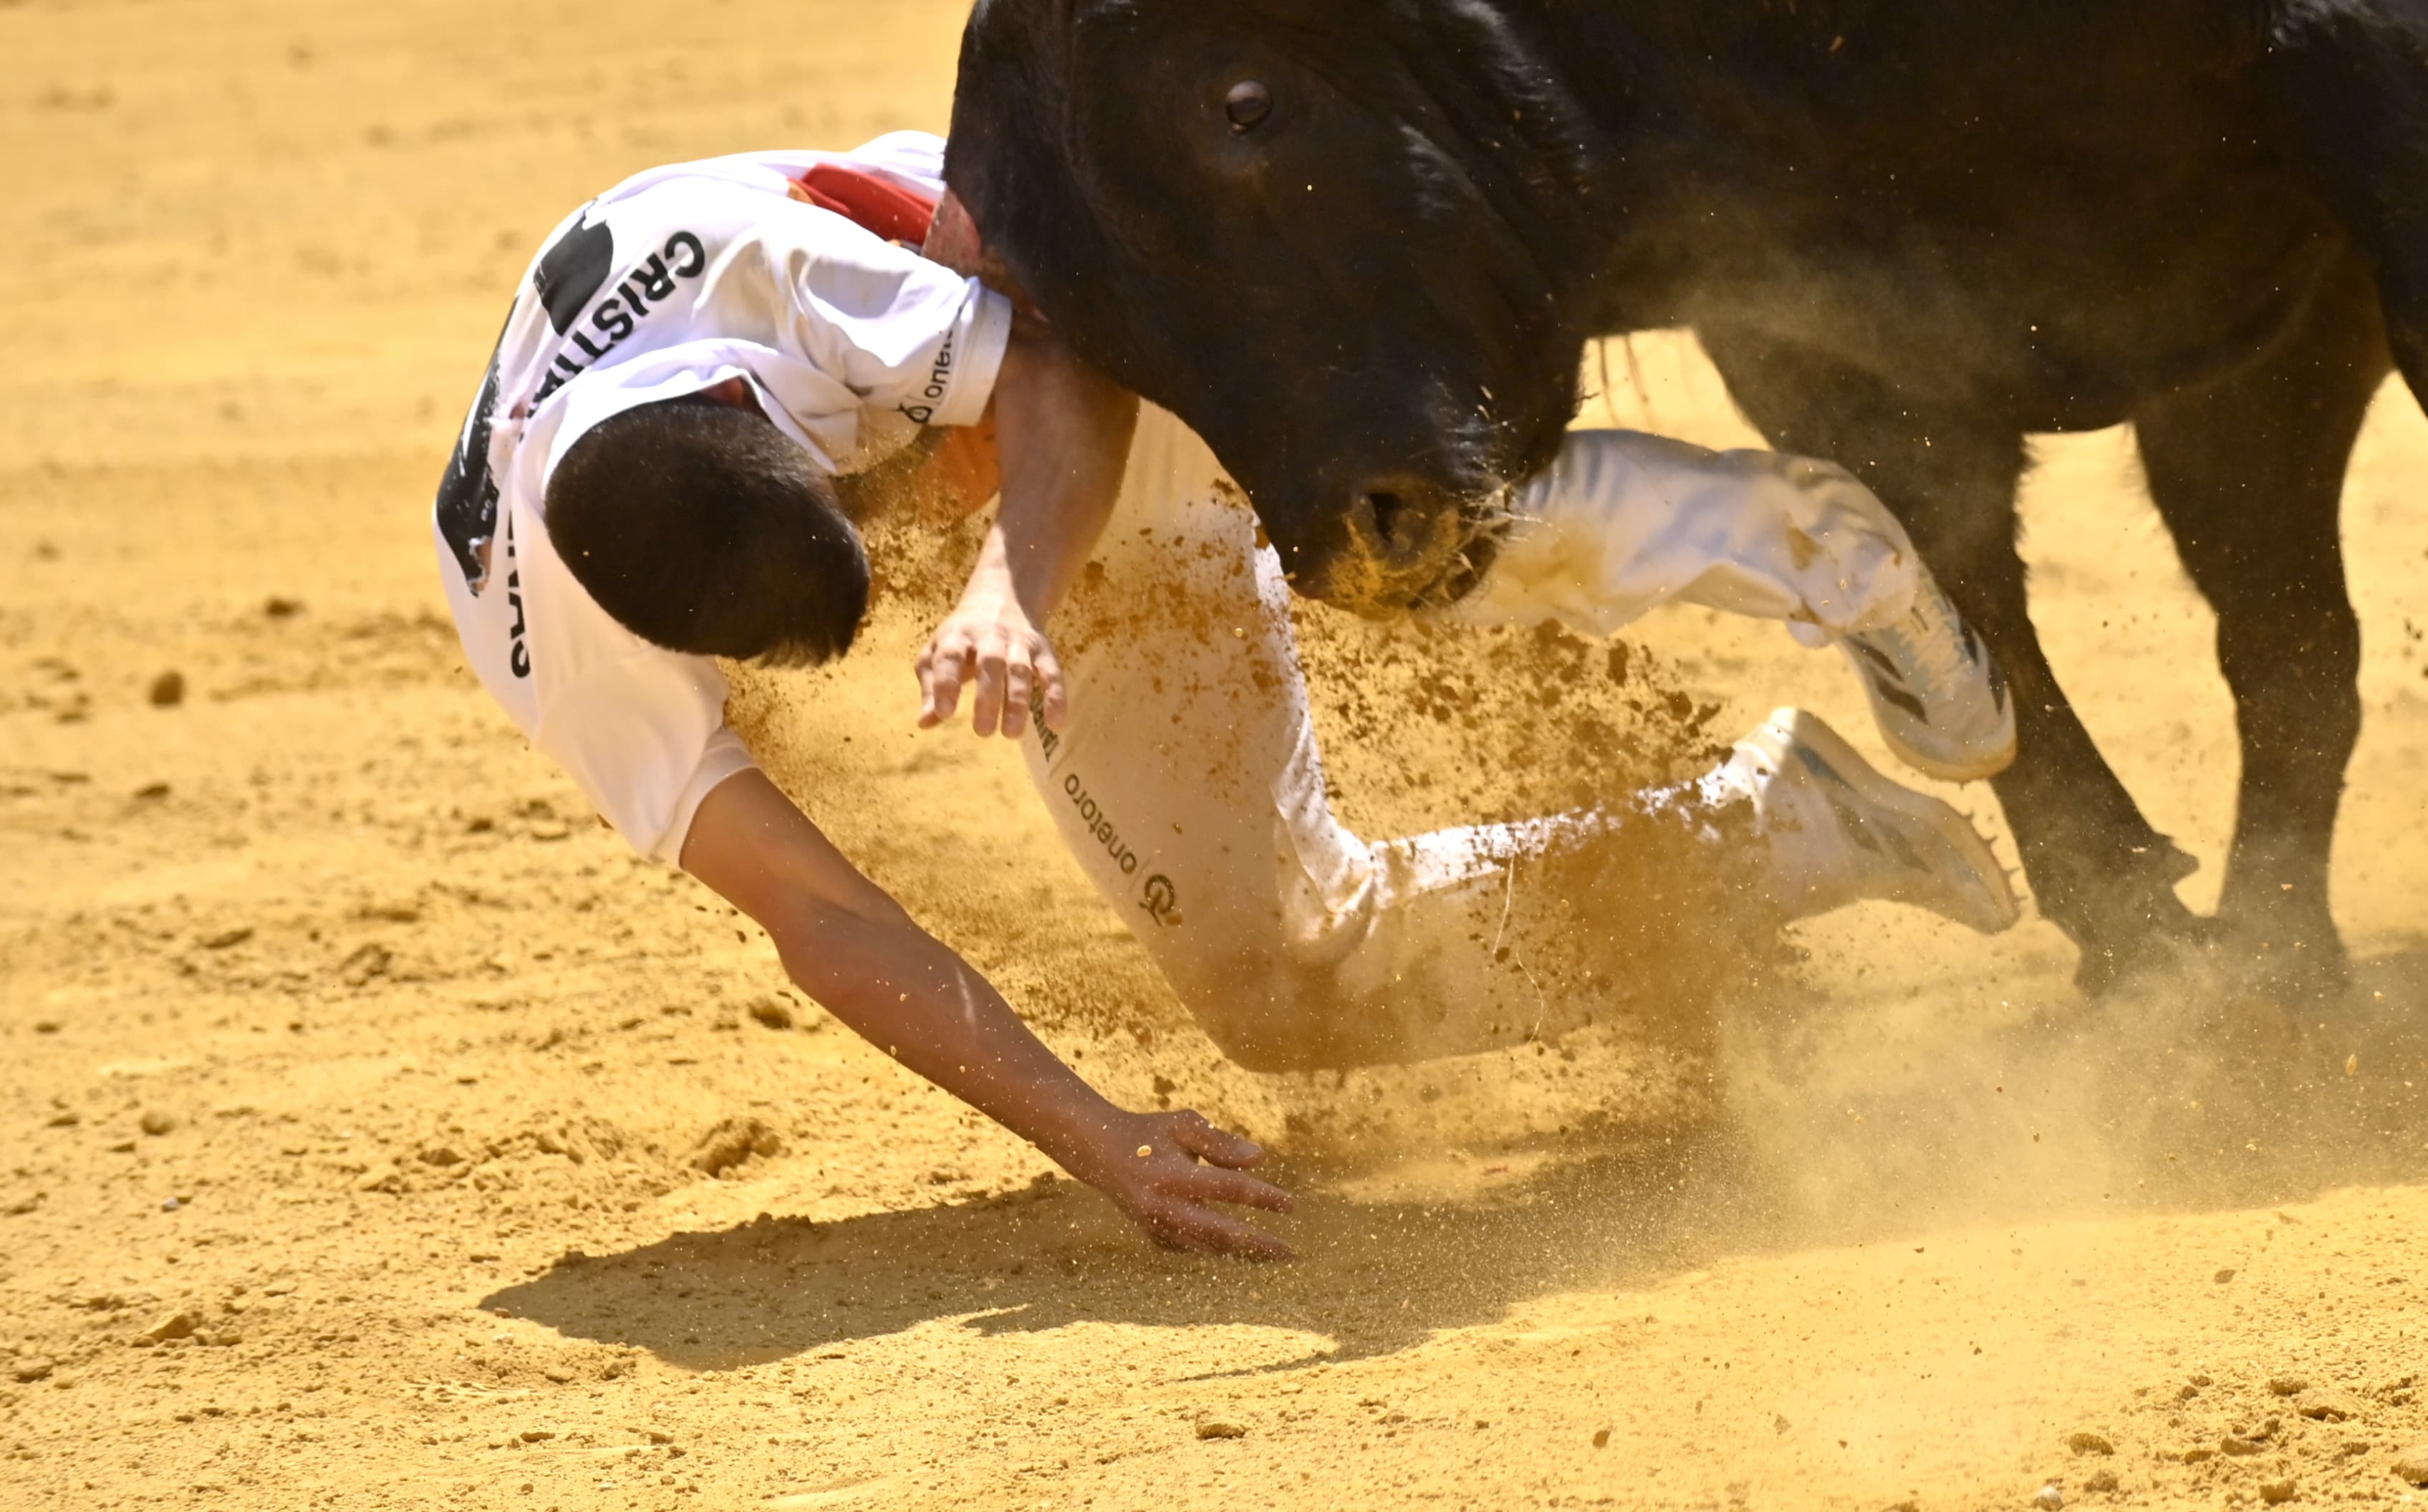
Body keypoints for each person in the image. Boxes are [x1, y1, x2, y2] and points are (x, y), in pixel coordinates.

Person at [429, 131, 2016, 1257]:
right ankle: (1781, 826)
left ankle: (1785, 537)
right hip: (1003, 417)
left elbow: (1057, 365)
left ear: (757, 412)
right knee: (1280, 982)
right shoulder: (555, 635)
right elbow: (820, 913)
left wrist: (1005, 584)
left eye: (861, 507)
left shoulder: (782, 293)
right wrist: (1094, 1130)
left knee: (1362, 513)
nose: (888, 526)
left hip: (1088, 328)